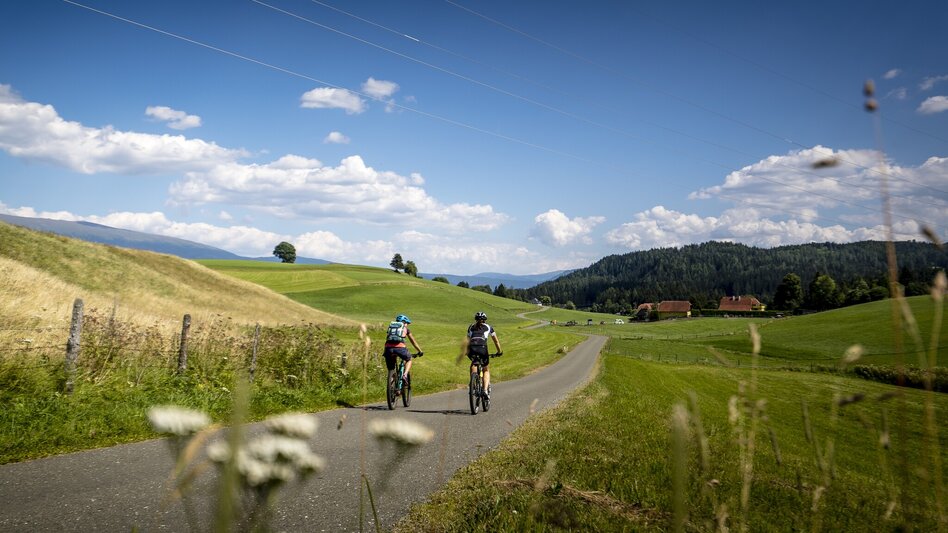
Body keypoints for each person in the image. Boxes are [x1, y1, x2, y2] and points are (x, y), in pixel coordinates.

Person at [466, 311, 502, 398]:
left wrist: (467, 352)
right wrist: (499, 351)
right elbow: (496, 341)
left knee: (473, 364)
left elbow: (467, 341)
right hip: (482, 348)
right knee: (485, 369)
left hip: (472, 348)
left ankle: (473, 383)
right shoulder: (489, 327)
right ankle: (485, 390)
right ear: (485, 320)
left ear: (476, 319)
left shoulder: (471, 327)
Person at [383, 314, 423, 381]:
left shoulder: (391, 328)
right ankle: (405, 375)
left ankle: (392, 387)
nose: (407, 325)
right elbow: (413, 341)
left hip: (388, 349)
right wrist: (420, 351)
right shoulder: (405, 329)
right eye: (407, 323)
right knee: (409, 359)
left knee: (391, 369)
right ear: (404, 322)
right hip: (400, 348)